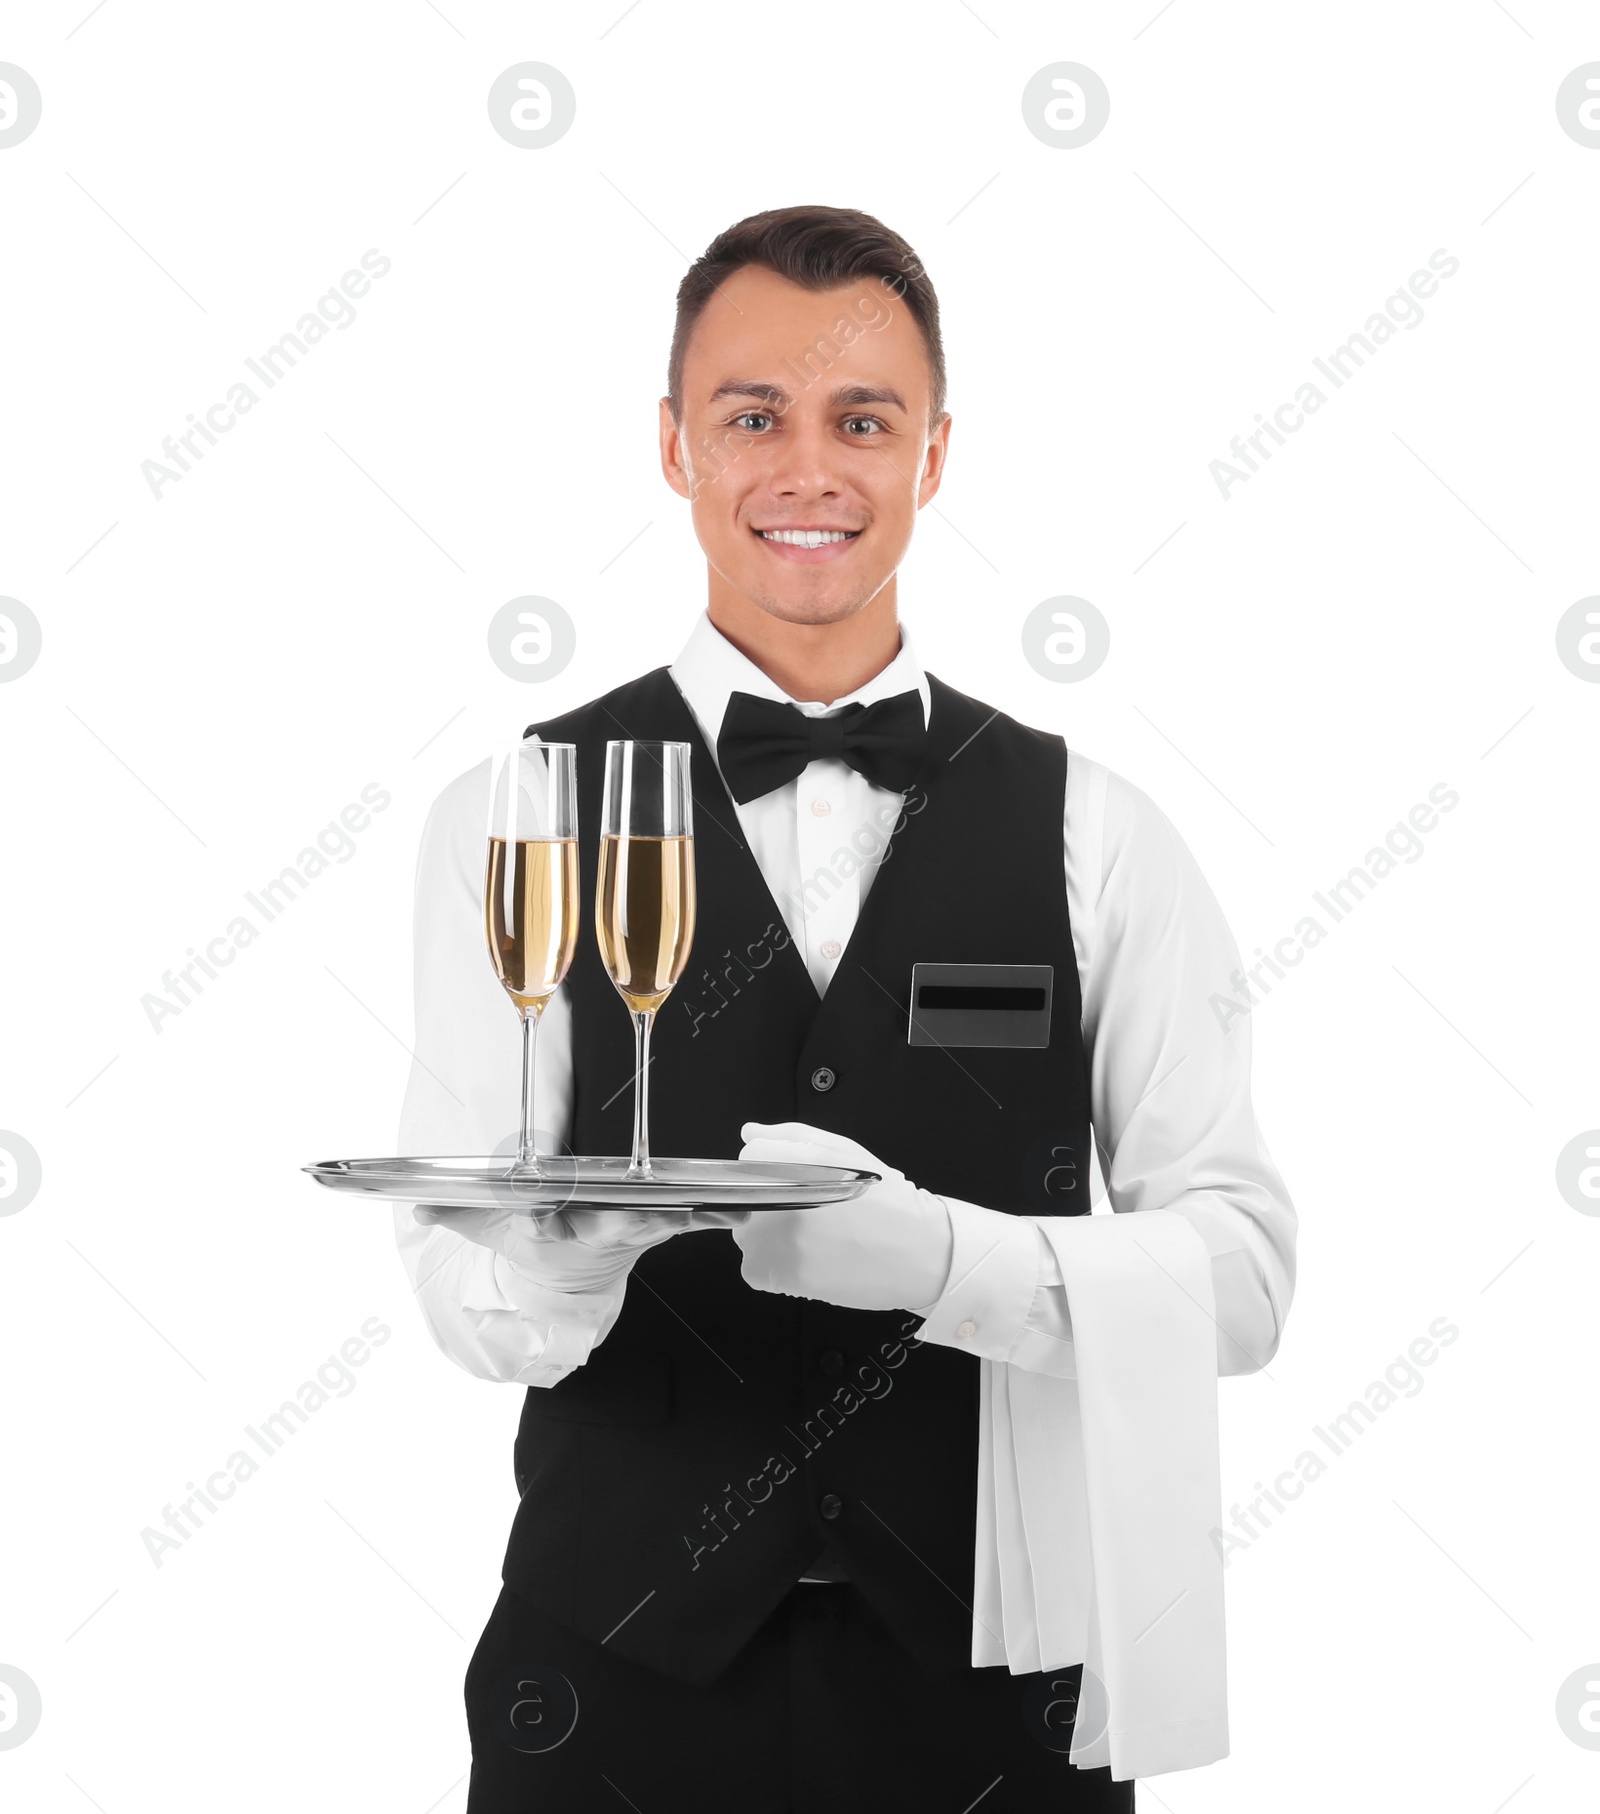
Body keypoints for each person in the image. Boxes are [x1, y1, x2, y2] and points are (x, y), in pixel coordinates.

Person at [396, 203, 1298, 1812]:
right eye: (754, 416)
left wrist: (955, 1262)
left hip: (997, 1692)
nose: (808, 469)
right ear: (675, 448)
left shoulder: (1100, 826)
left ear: (934, 455)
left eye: (862, 420)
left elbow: (1240, 1277)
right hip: (607, 1688)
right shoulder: (516, 809)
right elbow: (465, 1292)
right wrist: (561, 1267)